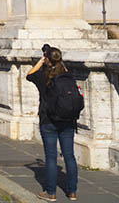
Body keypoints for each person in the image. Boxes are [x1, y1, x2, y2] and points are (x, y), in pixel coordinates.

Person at [27, 46, 79, 201]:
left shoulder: (42, 76)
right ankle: (72, 191)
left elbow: (29, 75)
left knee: (50, 157)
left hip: (48, 120)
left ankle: (51, 193)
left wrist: (41, 61)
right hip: (67, 120)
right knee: (69, 155)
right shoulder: (68, 75)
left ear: (46, 59)